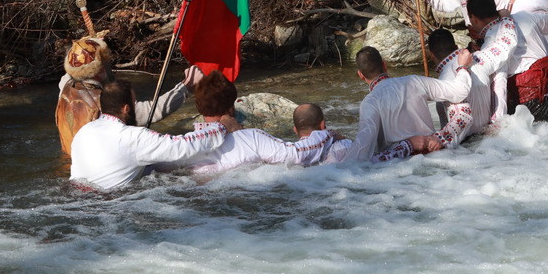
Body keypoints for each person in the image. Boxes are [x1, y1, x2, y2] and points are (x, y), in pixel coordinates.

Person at [163, 72, 364, 172]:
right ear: (231, 107)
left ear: (199, 108)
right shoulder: (252, 138)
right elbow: (296, 154)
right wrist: (327, 134)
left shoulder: (182, 146)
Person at [69, 80, 236, 190]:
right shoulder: (134, 137)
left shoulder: (83, 132)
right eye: (135, 103)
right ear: (126, 109)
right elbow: (182, 146)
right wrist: (221, 127)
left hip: (75, 197)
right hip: (110, 205)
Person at [55, 35, 203, 155]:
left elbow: (73, 71)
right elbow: (153, 110)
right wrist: (186, 86)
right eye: (104, 62)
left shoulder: (65, 87)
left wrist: (88, 46)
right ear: (100, 70)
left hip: (72, 166)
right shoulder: (105, 102)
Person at [355, 46, 473, 160]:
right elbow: (460, 91)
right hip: (436, 153)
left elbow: (362, 151)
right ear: (385, 65)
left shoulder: (370, 102)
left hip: (398, 166)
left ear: (360, 75)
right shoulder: (414, 81)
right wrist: (462, 66)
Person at [467, 0, 548, 123]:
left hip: (534, 99)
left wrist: (496, 123)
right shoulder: (523, 16)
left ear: (473, 18)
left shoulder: (491, 45)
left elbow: (499, 85)